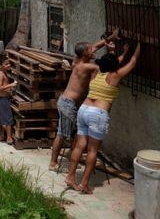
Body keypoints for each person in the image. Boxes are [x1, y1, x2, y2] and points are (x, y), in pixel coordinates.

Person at [66, 42, 141, 194]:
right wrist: (139, 45)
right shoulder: (115, 76)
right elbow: (132, 63)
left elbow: (112, 62)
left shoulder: (96, 73)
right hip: (98, 114)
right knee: (92, 150)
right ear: (115, 66)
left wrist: (117, 51)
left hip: (84, 110)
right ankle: (84, 184)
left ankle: (70, 177)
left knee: (80, 146)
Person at [49, 30, 120, 172]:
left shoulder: (78, 60)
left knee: (76, 132)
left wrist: (110, 38)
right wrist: (112, 52)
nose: (93, 49)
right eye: (90, 49)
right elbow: (107, 66)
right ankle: (53, 162)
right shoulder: (87, 67)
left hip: (69, 103)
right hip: (68, 104)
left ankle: (73, 153)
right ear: (85, 54)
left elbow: (96, 46)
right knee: (62, 134)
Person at [0, 57, 18, 144]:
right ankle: (9, 138)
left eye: (9, 63)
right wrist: (11, 85)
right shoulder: (1, 74)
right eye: (6, 64)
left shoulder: (4, 72)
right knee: (8, 119)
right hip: (3, 99)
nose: (9, 65)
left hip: (4, 98)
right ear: (1, 65)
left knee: (0, 118)